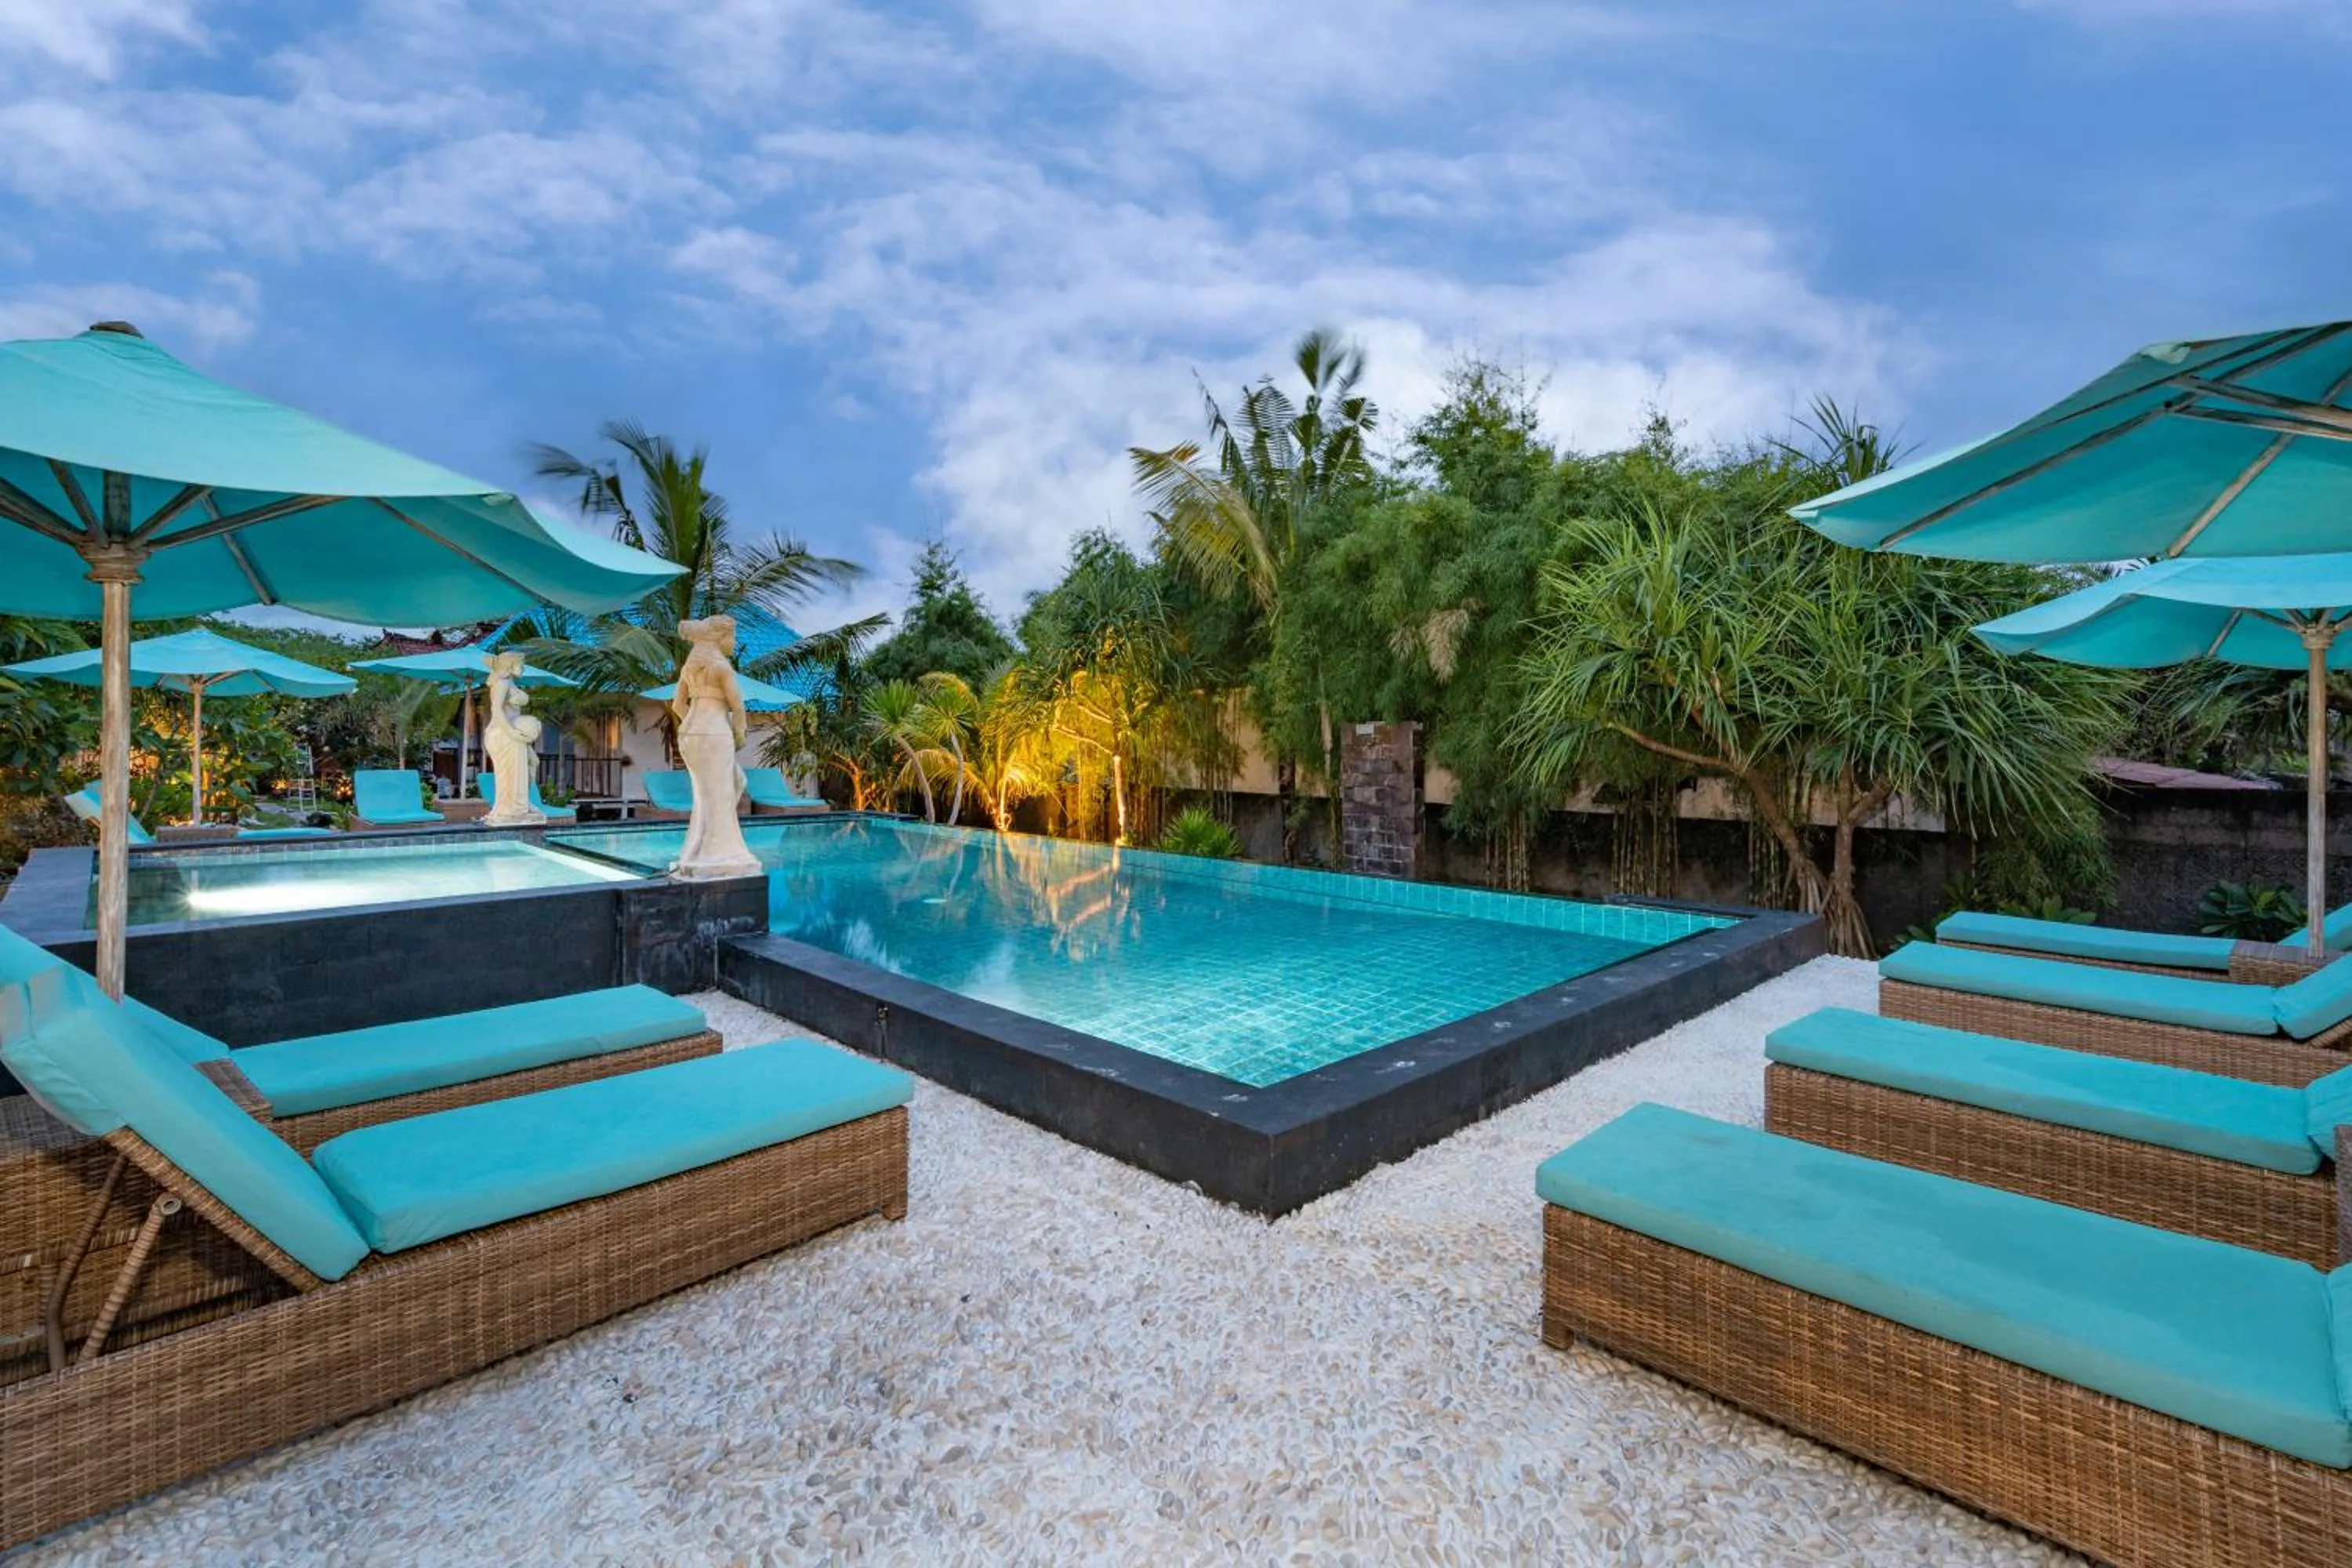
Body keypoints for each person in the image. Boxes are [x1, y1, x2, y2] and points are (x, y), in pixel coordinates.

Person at [671, 615, 760, 878]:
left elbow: (678, 706)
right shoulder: (722, 668)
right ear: (719, 638)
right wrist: (740, 734)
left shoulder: (690, 669)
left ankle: (695, 850)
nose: (734, 642)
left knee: (724, 786)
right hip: (714, 732)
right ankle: (718, 853)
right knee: (718, 793)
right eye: (731, 637)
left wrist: (693, 726)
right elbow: (738, 707)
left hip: (690, 731)